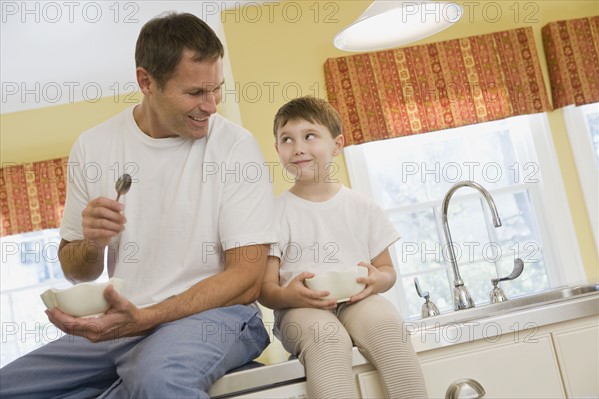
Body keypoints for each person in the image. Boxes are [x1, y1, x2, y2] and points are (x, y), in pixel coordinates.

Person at [0, 12, 276, 398]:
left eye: (217, 89)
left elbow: (246, 277)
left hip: (213, 316)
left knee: (158, 379)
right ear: (146, 81)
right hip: (123, 322)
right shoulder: (93, 147)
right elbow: (75, 269)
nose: (211, 106)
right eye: (196, 93)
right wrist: (93, 243)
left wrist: (147, 318)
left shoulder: (235, 147)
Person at [259, 96, 428, 399]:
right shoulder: (274, 213)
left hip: (357, 299)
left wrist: (377, 280)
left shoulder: (362, 206)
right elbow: (266, 290)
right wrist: (290, 295)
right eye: (287, 139)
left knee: (389, 328)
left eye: (309, 136)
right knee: (328, 339)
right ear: (277, 150)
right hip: (300, 308)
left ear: (337, 145)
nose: (297, 147)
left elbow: (387, 271)